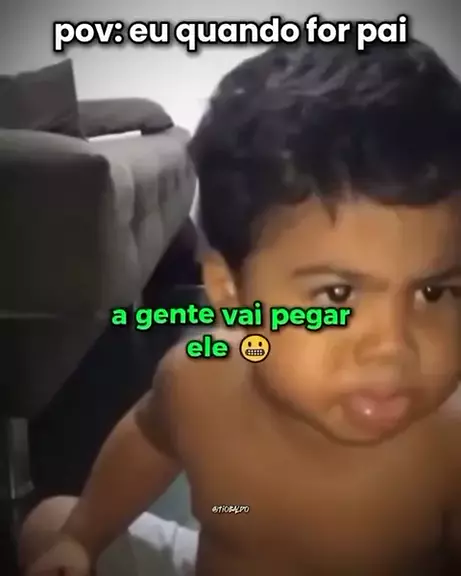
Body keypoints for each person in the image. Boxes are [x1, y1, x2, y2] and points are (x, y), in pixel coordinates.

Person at [21, 32, 461, 575]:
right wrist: (83, 536)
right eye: (337, 295)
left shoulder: (449, 449)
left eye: (433, 291)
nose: (394, 348)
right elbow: (151, 438)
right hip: (220, 547)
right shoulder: (197, 382)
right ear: (231, 293)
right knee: (49, 524)